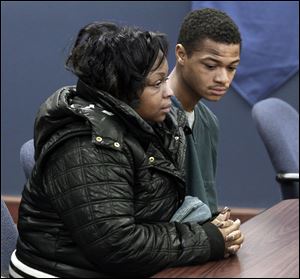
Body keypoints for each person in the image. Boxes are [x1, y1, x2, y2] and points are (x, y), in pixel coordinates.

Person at [11, 21, 243, 278]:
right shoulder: (85, 145)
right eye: (156, 84)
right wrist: (205, 239)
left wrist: (207, 226)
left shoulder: (149, 124)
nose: (168, 92)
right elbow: (117, 245)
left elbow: (152, 211)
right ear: (121, 88)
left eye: (164, 79)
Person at [168, 8, 242, 218]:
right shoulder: (154, 116)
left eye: (231, 67)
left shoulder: (209, 122)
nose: (223, 78)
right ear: (181, 54)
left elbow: (205, 201)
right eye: (211, 65)